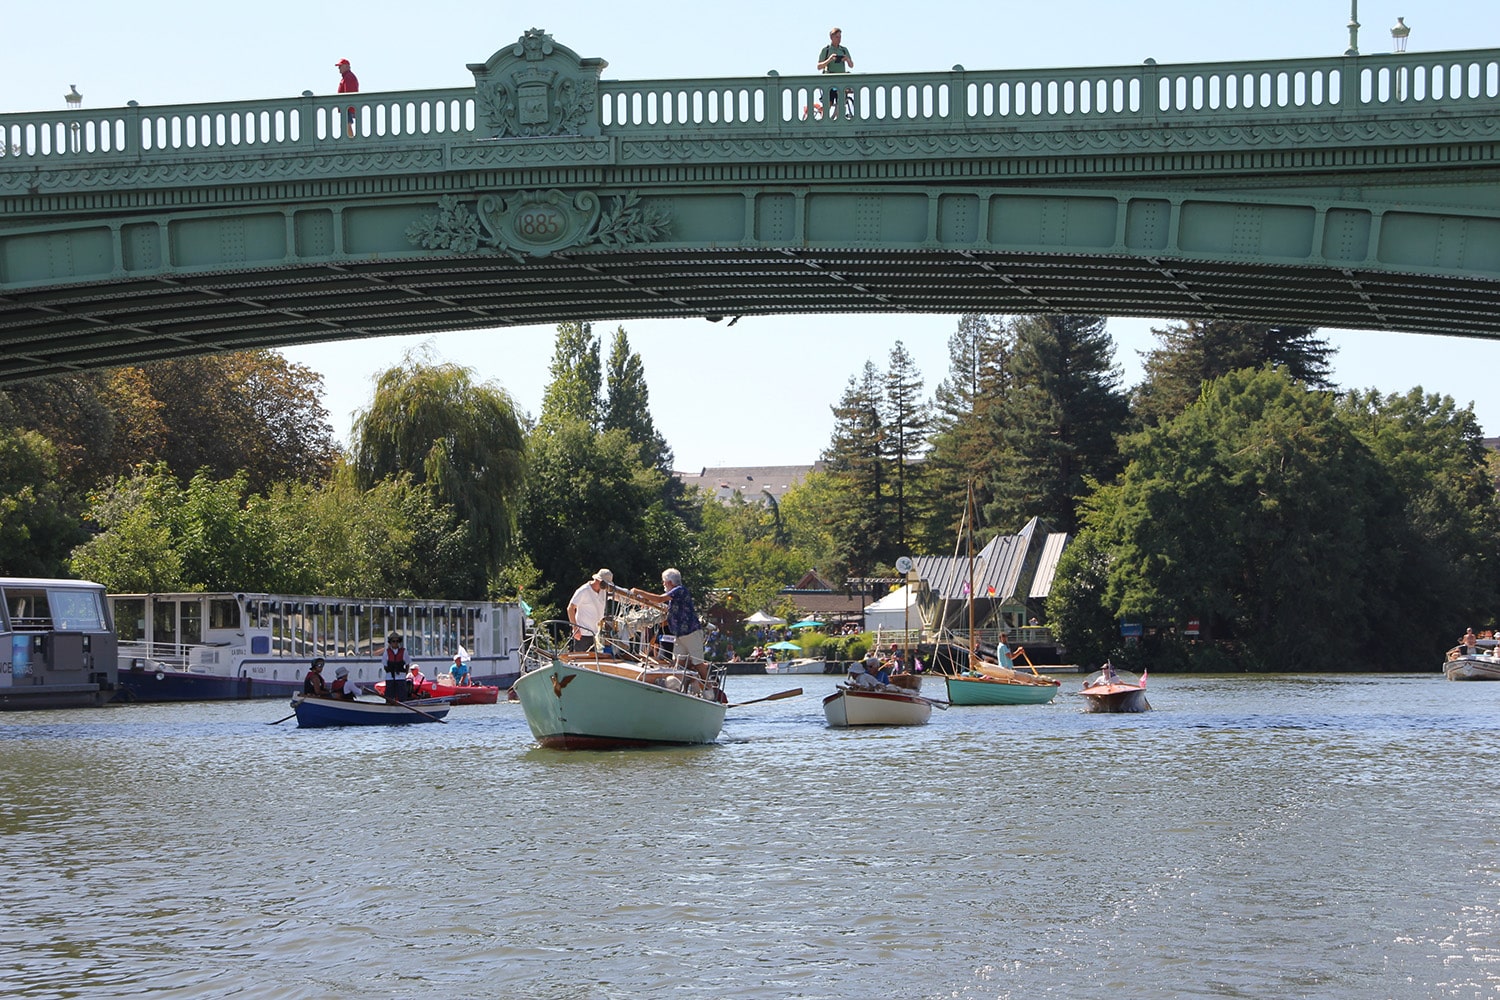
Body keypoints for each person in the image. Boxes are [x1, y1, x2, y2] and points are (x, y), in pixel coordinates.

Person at [638, 568, 706, 678]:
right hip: (680, 635)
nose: (663, 584)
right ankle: (678, 686)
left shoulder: (679, 590)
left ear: (669, 582)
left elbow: (659, 599)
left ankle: (709, 687)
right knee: (678, 662)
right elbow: (665, 607)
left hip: (690, 633)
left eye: (664, 581)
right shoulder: (675, 596)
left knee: (698, 662)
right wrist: (647, 602)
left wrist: (639, 591)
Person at [568, 569, 613, 652]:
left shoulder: (604, 592)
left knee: (595, 662)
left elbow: (617, 595)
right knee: (581, 661)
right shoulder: (583, 590)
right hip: (583, 634)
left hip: (597, 635)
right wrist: (575, 628)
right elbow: (570, 608)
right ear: (600, 581)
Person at [816, 28, 853, 119]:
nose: (839, 39)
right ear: (831, 37)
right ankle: (824, 118)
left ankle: (833, 118)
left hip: (841, 80)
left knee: (841, 102)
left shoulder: (844, 50)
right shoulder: (826, 50)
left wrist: (847, 59)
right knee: (829, 102)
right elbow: (819, 66)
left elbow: (851, 65)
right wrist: (829, 59)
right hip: (830, 80)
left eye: (840, 37)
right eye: (837, 37)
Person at [382, 632, 409, 702]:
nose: (395, 643)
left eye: (397, 641)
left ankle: (402, 706)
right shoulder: (387, 652)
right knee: (389, 697)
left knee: (402, 696)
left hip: (401, 677)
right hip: (390, 677)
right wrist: (390, 672)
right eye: (393, 641)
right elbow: (385, 665)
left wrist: (405, 674)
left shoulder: (404, 651)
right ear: (390, 642)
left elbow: (407, 664)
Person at [335, 58, 359, 137]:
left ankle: (351, 140)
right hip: (346, 107)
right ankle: (350, 139)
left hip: (347, 106)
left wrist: (347, 106)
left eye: (340, 66)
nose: (339, 68)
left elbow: (348, 93)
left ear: (346, 66)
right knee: (346, 125)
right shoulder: (347, 77)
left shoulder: (348, 77)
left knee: (347, 125)